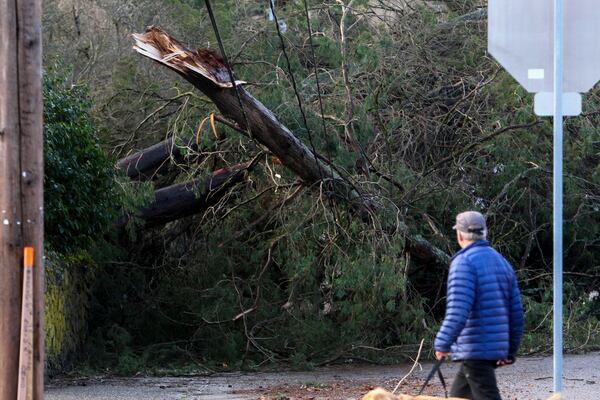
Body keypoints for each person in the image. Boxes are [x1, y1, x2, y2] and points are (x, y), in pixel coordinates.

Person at [434, 211, 524, 400]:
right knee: (459, 396)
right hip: (484, 350)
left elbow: (458, 311)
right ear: (485, 233)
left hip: (475, 348)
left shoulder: (464, 262)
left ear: (459, 235)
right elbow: (516, 315)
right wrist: (510, 350)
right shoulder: (502, 262)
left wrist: (443, 343)